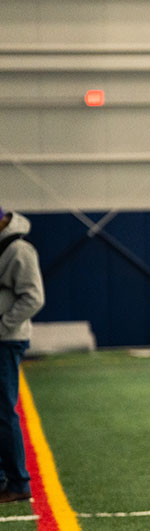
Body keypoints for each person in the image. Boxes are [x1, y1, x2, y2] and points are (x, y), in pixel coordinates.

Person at [0, 205, 44, 505]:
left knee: (3, 411)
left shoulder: (19, 250)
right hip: (4, 337)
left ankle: (18, 482)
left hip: (6, 340)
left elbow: (33, 297)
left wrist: (2, 326)